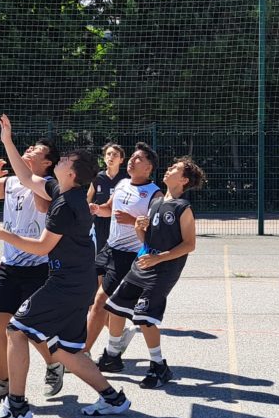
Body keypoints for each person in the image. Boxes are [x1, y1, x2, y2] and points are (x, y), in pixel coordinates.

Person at [0, 115, 131, 418]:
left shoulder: (65, 205)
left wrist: (1, 233)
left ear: (71, 173)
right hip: (77, 282)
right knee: (62, 349)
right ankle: (113, 398)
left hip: (67, 284)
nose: (60, 160)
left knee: (16, 330)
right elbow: (25, 177)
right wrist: (8, 141)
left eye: (64, 160)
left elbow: (41, 247)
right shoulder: (63, 191)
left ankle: (16, 407)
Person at [0, 127, 65, 405]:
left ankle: (55, 364)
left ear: (47, 162)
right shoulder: (10, 183)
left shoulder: (49, 184)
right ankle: (3, 383)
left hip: (39, 268)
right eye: (29, 147)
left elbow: (42, 207)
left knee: (32, 329)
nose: (30, 150)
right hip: (9, 266)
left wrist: (25, 168)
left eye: (37, 150)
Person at [102, 156, 206, 389]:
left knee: (145, 318)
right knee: (115, 307)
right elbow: (147, 240)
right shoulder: (156, 202)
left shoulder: (183, 208)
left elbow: (189, 244)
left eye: (175, 169)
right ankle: (112, 356)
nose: (169, 169)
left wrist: (159, 257)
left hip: (164, 269)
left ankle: (159, 366)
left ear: (183, 180)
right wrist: (139, 229)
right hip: (143, 264)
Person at [87, 142, 160, 371]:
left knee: (100, 302)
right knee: (96, 299)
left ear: (148, 168)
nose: (132, 161)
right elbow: (109, 208)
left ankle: (82, 352)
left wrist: (133, 221)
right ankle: (116, 346)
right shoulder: (121, 183)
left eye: (138, 159)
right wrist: (97, 209)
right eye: (133, 157)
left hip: (128, 255)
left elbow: (157, 231)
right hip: (108, 248)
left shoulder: (154, 194)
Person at [89, 143, 125, 251]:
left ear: (121, 160)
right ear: (104, 158)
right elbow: (88, 198)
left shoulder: (126, 179)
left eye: (115, 155)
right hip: (101, 221)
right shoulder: (97, 178)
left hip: (120, 221)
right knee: (101, 251)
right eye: (108, 154)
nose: (111, 157)